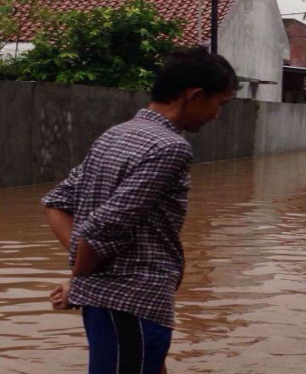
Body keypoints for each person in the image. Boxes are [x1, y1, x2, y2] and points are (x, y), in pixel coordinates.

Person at [43, 46, 239, 374]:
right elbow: (103, 227)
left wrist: (83, 277)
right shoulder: (170, 147)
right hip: (132, 304)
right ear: (195, 95)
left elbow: (56, 204)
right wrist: (78, 279)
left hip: (114, 306)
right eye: (219, 105)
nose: (217, 115)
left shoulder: (114, 135)